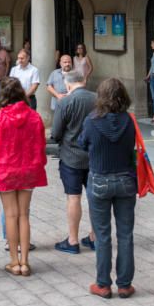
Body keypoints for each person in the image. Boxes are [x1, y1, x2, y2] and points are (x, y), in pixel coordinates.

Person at [78, 78, 138, 299]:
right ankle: (124, 284)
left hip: (100, 178)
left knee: (102, 235)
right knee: (125, 234)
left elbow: (83, 144)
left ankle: (103, 284)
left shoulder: (91, 121)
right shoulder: (129, 121)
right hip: (125, 179)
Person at [0, 78, 47, 277]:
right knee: (24, 215)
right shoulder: (34, 117)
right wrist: (38, 166)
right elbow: (41, 146)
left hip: (5, 170)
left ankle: (14, 261)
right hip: (28, 170)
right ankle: (26, 261)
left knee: (10, 215)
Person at [51, 69, 97, 254]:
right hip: (94, 155)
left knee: (73, 197)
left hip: (71, 156)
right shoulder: (97, 99)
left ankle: (73, 240)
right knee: (94, 197)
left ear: (68, 84)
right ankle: (94, 237)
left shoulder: (65, 102)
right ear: (83, 81)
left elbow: (55, 133)